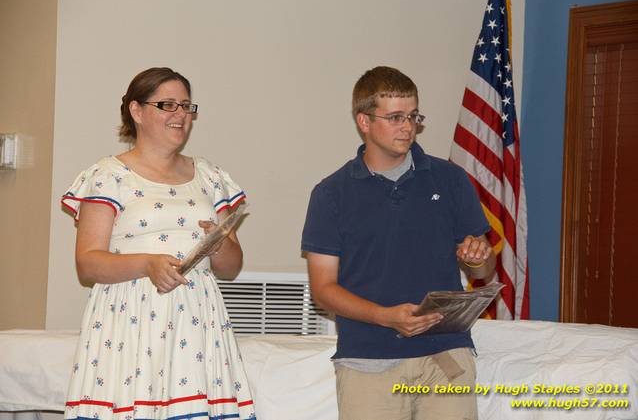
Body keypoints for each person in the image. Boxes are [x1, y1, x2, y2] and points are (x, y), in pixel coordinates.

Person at [301, 66, 496, 420]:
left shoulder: (451, 179)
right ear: (364, 121)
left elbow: (484, 269)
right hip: (367, 360)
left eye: (413, 116)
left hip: (445, 354)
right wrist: (386, 317)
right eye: (394, 117)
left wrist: (477, 256)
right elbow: (323, 289)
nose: (407, 127)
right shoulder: (331, 194)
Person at [61, 67, 256, 420]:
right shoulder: (108, 175)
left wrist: (219, 242)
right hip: (130, 319)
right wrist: (146, 264)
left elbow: (232, 268)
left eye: (186, 106)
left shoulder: (210, 176)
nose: (181, 114)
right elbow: (87, 264)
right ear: (136, 111)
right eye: (168, 105)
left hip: (197, 318)